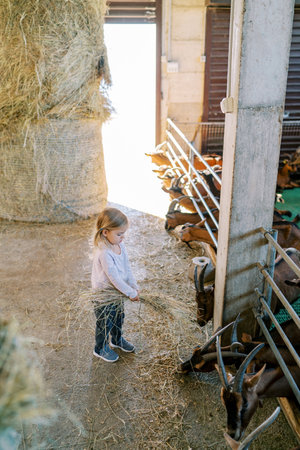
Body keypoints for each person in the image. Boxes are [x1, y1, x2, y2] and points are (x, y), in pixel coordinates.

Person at [91, 207, 140, 363]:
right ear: (105, 232)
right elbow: (114, 278)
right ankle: (100, 348)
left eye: (124, 233)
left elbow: (126, 268)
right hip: (105, 295)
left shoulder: (120, 246)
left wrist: (133, 285)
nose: (123, 237)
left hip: (117, 292)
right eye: (119, 234)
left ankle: (117, 340)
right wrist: (130, 293)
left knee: (119, 317)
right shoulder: (104, 252)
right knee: (105, 322)